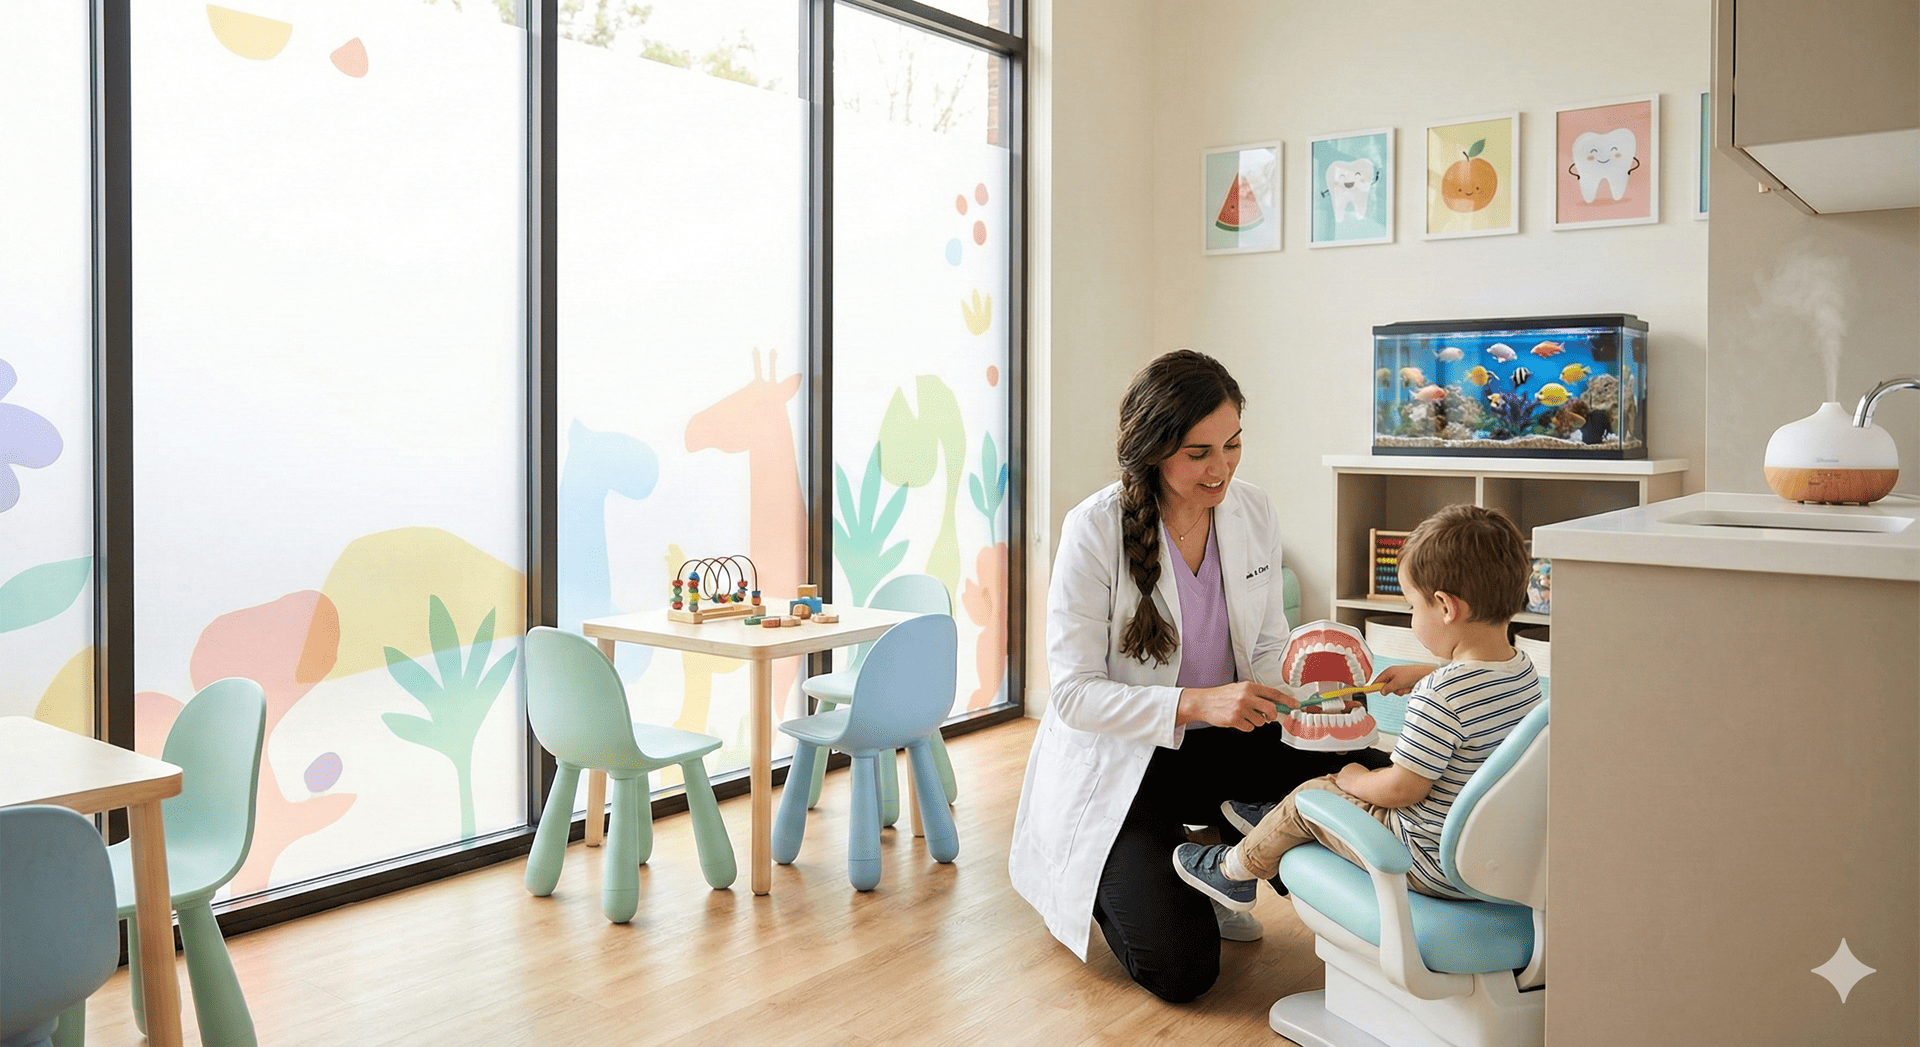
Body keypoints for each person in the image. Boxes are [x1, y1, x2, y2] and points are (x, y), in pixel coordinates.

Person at [1007, 348, 1391, 1004]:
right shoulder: (1093, 530)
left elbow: (1268, 641)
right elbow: (1071, 694)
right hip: (1126, 767)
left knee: (1363, 763)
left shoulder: (1253, 512)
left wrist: (1309, 701)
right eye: (1199, 452)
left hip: (1221, 744)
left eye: (1233, 444)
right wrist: (1194, 703)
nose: (1222, 468)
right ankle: (1113, 873)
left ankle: (1244, 845)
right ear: (1155, 450)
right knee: (1184, 969)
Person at [1170, 503, 1545, 909]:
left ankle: (1234, 870)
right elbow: (1472, 692)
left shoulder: (1440, 696)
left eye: (1412, 608)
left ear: (1445, 606)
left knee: (1311, 794)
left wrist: (1351, 778)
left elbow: (1402, 788)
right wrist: (1422, 673)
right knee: (1350, 780)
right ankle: (1269, 822)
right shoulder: (1523, 672)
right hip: (1489, 859)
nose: (1412, 618)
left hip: (1425, 859)